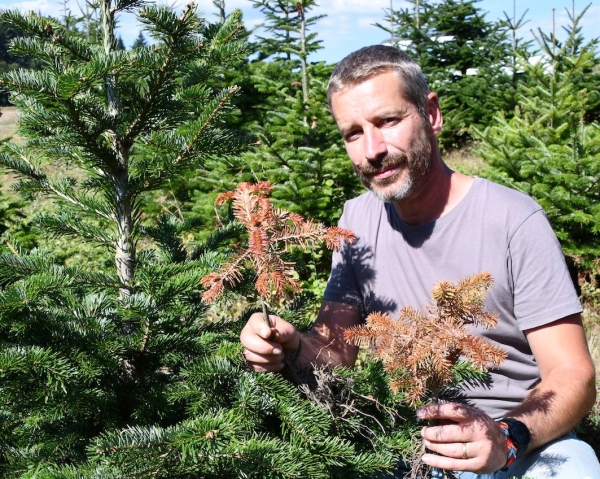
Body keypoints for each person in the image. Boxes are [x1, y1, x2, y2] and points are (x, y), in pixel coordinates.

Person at [240, 45, 600, 479]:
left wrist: (505, 438)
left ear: (431, 114)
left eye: (388, 121)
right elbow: (336, 351)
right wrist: (291, 344)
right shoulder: (357, 220)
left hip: (520, 446)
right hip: (408, 445)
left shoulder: (513, 219)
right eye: (353, 133)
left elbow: (573, 375)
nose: (372, 149)